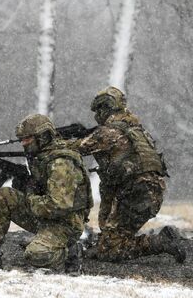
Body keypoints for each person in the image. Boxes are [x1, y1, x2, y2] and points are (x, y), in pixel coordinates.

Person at [66, 86, 185, 263]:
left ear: (105, 109)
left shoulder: (109, 132)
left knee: (110, 252)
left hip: (138, 194)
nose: (96, 116)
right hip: (147, 192)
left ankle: (161, 242)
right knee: (108, 240)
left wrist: (48, 141)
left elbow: (73, 149)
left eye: (98, 111)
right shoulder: (137, 130)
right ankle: (109, 242)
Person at [0, 114, 93, 273]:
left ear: (43, 137)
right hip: (45, 217)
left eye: (27, 139)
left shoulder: (61, 162)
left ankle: (71, 252)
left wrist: (30, 196)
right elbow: (41, 190)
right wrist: (25, 186)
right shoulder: (40, 157)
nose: (23, 143)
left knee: (35, 255)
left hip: (66, 224)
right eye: (22, 139)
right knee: (5, 195)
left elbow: (59, 205)